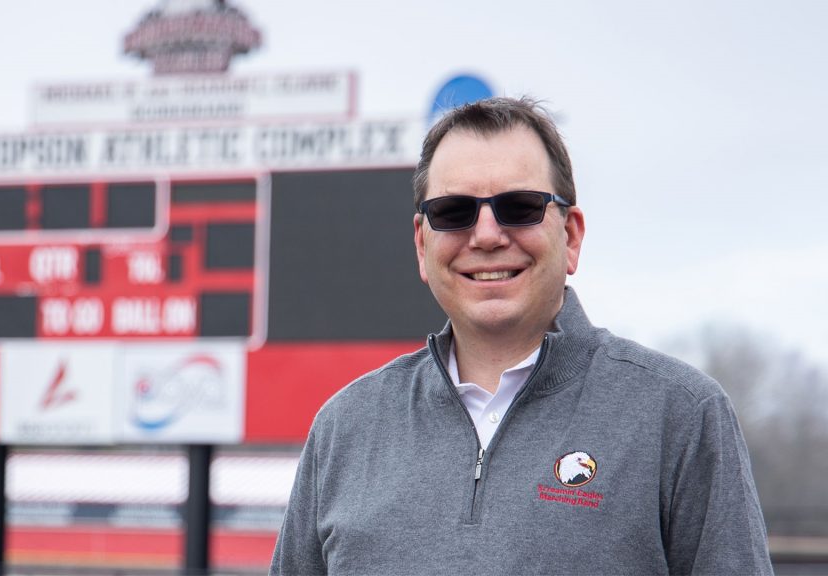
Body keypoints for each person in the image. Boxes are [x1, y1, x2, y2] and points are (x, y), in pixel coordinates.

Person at [270, 96, 772, 574]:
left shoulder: (680, 415)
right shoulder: (345, 428)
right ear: (422, 244)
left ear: (571, 236)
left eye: (520, 206)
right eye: (453, 212)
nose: (487, 235)